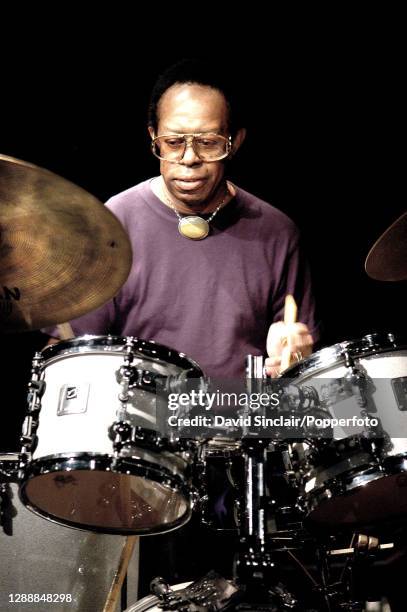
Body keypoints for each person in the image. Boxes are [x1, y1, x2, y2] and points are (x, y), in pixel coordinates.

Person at [44, 59, 319, 379]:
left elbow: (299, 364)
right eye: (173, 143)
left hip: (241, 422)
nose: (189, 159)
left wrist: (297, 359)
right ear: (153, 137)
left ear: (235, 142)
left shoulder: (277, 232)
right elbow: (67, 354)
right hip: (137, 421)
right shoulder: (112, 223)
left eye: (208, 143)